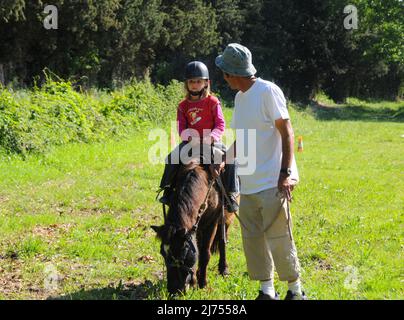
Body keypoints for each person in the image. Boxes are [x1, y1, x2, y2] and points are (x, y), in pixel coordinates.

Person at [215, 43, 307, 300]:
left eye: (224, 72)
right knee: (252, 239)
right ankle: (267, 291)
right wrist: (225, 159)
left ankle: (295, 291)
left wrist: (286, 172)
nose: (223, 77)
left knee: (279, 237)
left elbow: (286, 131)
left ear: (233, 73)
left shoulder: (268, 91)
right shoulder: (239, 97)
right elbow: (243, 138)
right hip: (249, 183)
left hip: (273, 181)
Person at [158, 61, 239, 213]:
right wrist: (189, 138)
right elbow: (181, 127)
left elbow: (220, 124)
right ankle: (167, 190)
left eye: (198, 81)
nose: (195, 85)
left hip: (212, 143)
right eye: (191, 82)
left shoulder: (213, 102)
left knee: (231, 160)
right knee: (171, 158)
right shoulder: (183, 105)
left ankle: (231, 194)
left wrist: (212, 137)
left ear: (206, 83)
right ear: (186, 84)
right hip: (191, 143)